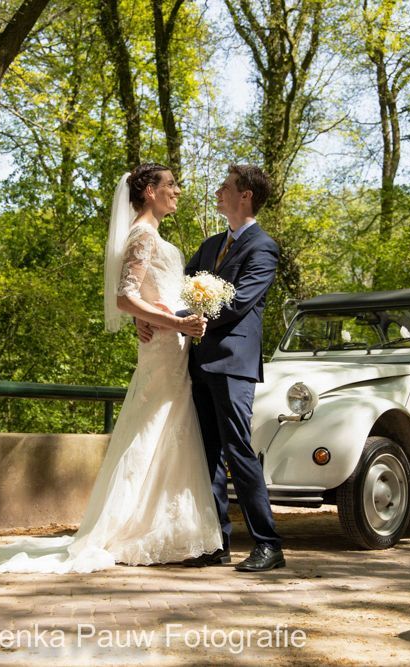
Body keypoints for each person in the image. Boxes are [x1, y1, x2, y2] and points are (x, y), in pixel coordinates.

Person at [0, 164, 222, 573]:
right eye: (170, 185)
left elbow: (147, 297)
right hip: (164, 348)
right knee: (149, 433)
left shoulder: (154, 237)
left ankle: (167, 530)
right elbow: (125, 297)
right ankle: (125, 529)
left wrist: (174, 318)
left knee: (169, 433)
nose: (178, 191)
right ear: (149, 191)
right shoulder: (141, 236)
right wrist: (176, 323)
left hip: (173, 347)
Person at [140, 164, 284, 572]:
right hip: (198, 361)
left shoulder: (262, 247)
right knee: (206, 455)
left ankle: (269, 544)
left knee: (239, 451)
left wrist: (190, 319)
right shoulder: (210, 245)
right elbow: (179, 289)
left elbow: (240, 302)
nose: (218, 192)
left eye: (226, 188)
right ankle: (216, 542)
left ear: (246, 196)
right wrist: (155, 316)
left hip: (234, 364)